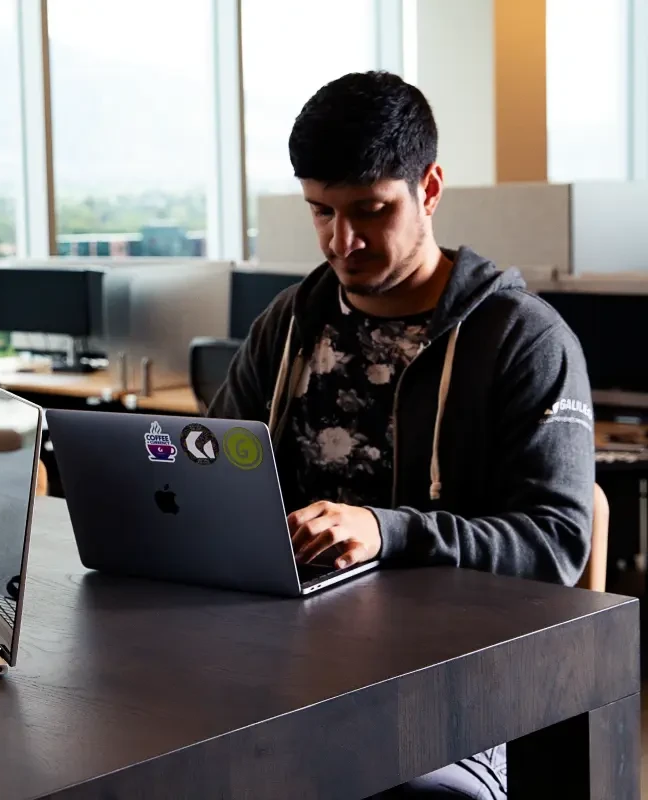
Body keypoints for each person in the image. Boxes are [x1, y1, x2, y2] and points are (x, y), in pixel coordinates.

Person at [208, 71, 594, 799]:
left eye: (370, 211)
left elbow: (555, 546)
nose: (341, 241)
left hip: (452, 686)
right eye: (320, 212)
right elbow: (213, 473)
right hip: (283, 664)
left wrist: (390, 532)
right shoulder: (289, 324)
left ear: (431, 189)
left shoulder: (523, 340)